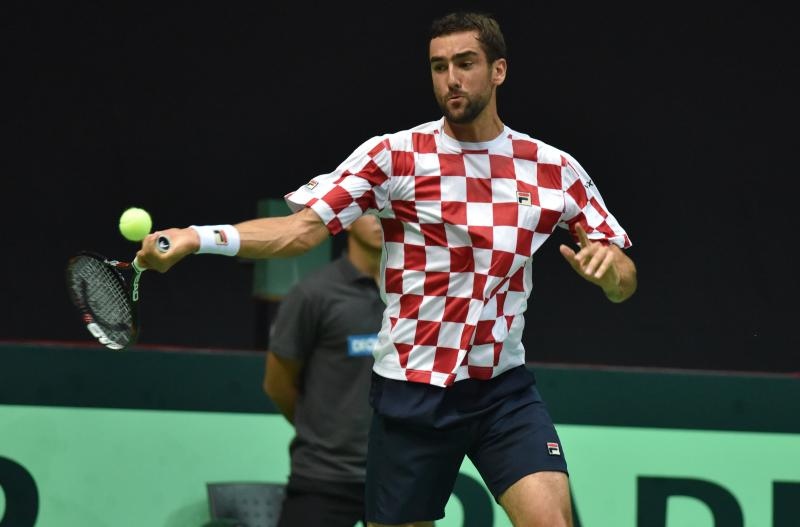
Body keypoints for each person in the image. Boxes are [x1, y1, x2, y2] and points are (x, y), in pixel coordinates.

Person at [138, 10, 637, 527]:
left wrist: (610, 274)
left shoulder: (552, 168)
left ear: (498, 71)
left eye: (466, 63)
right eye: (439, 66)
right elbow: (300, 230)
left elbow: (623, 276)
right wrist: (199, 238)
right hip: (412, 393)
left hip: (501, 391)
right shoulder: (395, 157)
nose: (452, 79)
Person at [263, 214, 383, 527]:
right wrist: (324, 433)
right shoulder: (312, 294)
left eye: (390, 206)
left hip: (397, 478)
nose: (382, 217)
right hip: (323, 478)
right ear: (348, 220)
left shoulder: (418, 295)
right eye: (372, 209)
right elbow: (278, 384)